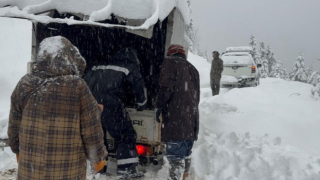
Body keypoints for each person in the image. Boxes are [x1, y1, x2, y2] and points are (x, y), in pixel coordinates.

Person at [8, 36, 107, 180]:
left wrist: (17, 150)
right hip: (68, 171)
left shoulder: (25, 83)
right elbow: (90, 129)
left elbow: (14, 126)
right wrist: (97, 158)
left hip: (30, 170)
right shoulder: (77, 86)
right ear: (69, 57)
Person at [84, 47, 147, 176]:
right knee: (126, 135)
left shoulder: (99, 66)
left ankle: (99, 169)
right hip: (111, 104)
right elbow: (139, 87)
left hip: (92, 104)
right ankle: (127, 170)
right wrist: (142, 104)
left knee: (99, 137)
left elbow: (84, 81)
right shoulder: (129, 66)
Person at [155, 44, 200, 180]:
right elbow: (196, 97)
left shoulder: (170, 63)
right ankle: (185, 176)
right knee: (186, 153)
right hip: (190, 122)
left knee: (175, 158)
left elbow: (166, 88)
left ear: (170, 54)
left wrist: (159, 106)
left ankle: (176, 177)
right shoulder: (193, 69)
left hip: (176, 121)